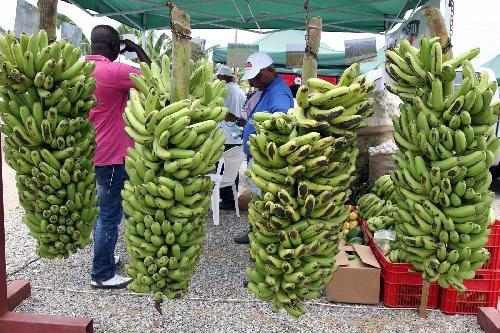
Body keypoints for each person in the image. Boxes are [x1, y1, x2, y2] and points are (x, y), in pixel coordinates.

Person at [86, 25, 151, 289]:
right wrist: (137, 50)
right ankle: (102, 273)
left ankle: (104, 257)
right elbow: (152, 77)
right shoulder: (113, 71)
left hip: (88, 153)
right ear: (115, 45)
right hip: (112, 155)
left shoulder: (78, 69)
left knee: (102, 211)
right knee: (110, 215)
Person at [234, 52, 294, 245]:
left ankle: (262, 237)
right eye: (252, 78)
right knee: (257, 199)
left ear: (270, 70)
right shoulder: (266, 90)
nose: (254, 82)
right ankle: (255, 231)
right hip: (257, 156)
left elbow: (281, 118)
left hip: (267, 160)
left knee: (263, 200)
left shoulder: (278, 92)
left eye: (258, 77)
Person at [215, 65, 246, 210]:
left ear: (224, 77)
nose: (217, 79)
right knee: (233, 169)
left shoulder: (225, 90)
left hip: (225, 135)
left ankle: (227, 200)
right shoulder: (240, 90)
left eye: (219, 77)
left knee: (222, 169)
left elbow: (224, 113)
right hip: (237, 135)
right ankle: (232, 197)